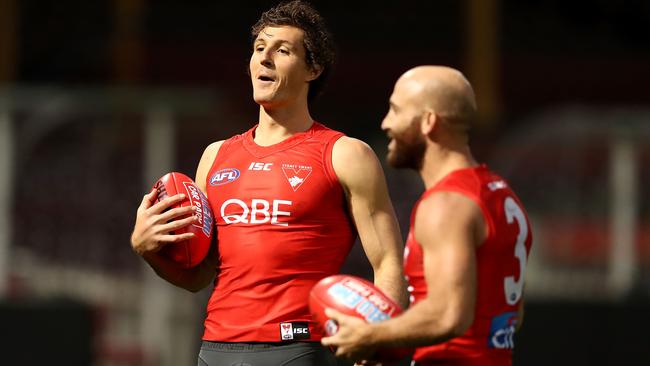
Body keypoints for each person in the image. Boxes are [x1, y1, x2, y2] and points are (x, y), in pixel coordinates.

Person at [130, 1, 406, 365]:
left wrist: (380, 340)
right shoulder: (215, 156)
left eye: (282, 50)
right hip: (215, 350)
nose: (265, 58)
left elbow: (387, 261)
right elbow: (199, 276)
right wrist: (147, 249)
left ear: (313, 68)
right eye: (259, 48)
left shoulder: (345, 154)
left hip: (299, 349)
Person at [321, 65, 533, 366]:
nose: (385, 123)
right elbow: (513, 313)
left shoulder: (446, 204)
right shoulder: (500, 194)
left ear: (428, 121)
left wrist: (369, 336)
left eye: (395, 110)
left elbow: (448, 314)